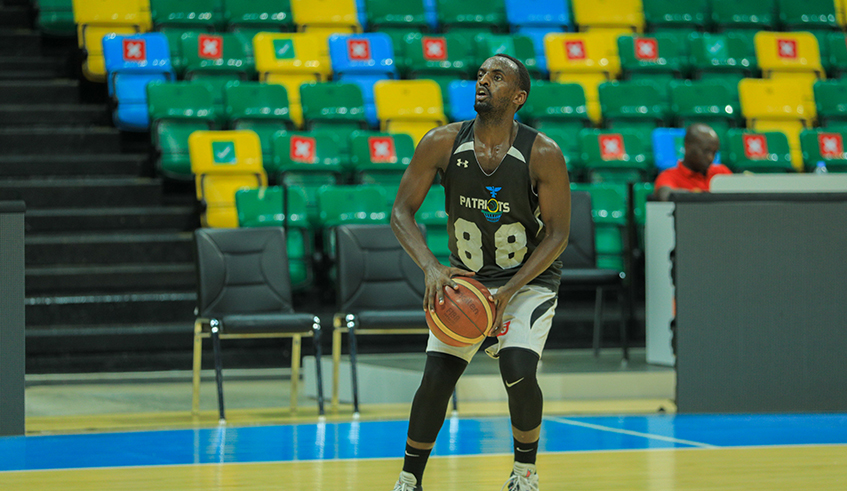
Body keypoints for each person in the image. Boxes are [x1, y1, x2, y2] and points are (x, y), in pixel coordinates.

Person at [389, 53, 571, 491]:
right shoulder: (442, 142)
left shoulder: (542, 152)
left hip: (526, 281)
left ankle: (524, 473)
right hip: (464, 281)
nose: (483, 81)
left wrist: (509, 290)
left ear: (519, 96)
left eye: (497, 76)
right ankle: (409, 479)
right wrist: (432, 268)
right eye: (481, 75)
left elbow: (558, 235)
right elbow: (400, 213)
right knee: (436, 380)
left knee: (517, 367)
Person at [653, 123, 731, 201]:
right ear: (687, 146)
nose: (711, 158)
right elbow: (665, 195)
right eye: (705, 151)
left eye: (714, 153)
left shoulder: (722, 172)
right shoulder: (669, 176)